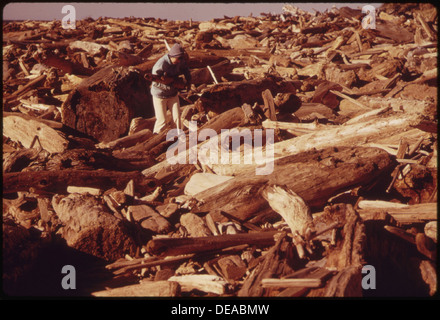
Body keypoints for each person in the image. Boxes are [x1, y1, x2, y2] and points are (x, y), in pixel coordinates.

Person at [150, 43, 192, 134]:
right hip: (159, 95)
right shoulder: (160, 64)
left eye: (181, 59)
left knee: (177, 118)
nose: (179, 61)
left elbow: (185, 69)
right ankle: (156, 138)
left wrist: (188, 81)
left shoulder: (180, 60)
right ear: (172, 56)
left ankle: (176, 137)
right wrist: (172, 84)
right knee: (162, 120)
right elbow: (155, 82)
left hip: (173, 94)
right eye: (178, 59)